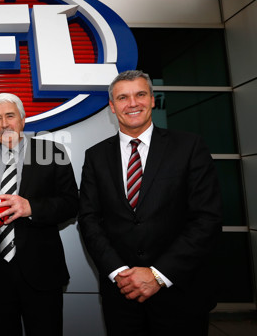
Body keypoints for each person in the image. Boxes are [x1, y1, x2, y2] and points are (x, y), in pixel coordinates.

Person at [77, 70, 223, 335]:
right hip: (121, 295)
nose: (132, 103)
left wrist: (157, 274)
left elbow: (207, 218)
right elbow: (89, 219)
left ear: (153, 100)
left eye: (140, 94)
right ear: (112, 106)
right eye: (123, 97)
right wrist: (119, 272)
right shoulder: (96, 156)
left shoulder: (189, 147)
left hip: (180, 291)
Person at [0, 93, 79, 336]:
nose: (4, 123)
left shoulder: (52, 152)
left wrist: (32, 208)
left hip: (41, 268)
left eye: (10, 115)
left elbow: (71, 203)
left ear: (23, 119)